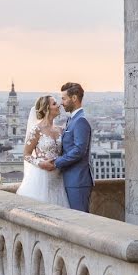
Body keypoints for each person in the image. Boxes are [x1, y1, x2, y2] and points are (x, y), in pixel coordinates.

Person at [40, 82, 94, 212]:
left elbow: (79, 150)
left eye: (64, 98)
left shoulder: (81, 120)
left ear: (74, 98)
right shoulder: (72, 120)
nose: (61, 103)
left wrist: (56, 163)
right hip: (71, 179)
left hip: (77, 181)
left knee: (80, 222)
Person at [16, 95, 70, 207]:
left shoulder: (61, 129)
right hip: (42, 177)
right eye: (54, 104)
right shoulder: (36, 130)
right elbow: (26, 154)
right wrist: (40, 163)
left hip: (58, 177)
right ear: (46, 109)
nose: (59, 105)